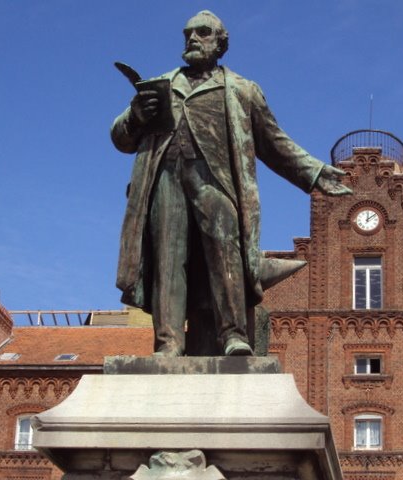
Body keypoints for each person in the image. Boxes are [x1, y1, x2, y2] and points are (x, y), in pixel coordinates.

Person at [111, 11, 351, 357]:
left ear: (220, 43)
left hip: (217, 180)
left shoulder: (241, 90)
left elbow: (274, 142)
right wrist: (136, 115)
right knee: (167, 259)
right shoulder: (162, 85)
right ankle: (168, 342)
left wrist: (314, 172)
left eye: (203, 33)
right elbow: (120, 137)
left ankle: (233, 335)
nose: (193, 39)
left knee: (226, 254)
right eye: (188, 33)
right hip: (166, 178)